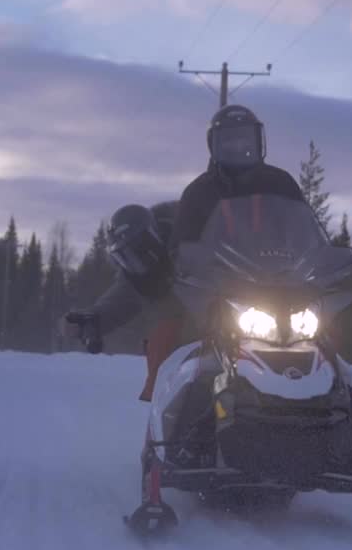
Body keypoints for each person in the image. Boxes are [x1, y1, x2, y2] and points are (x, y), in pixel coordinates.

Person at [66, 104, 308, 401]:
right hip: (217, 300)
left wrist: (330, 269)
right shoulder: (200, 193)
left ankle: (343, 418)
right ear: (214, 145)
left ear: (259, 141)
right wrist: (99, 318)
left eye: (245, 138)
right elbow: (171, 263)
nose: (237, 146)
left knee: (326, 342)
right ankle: (165, 432)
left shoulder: (281, 184)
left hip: (283, 293)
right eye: (228, 139)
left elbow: (307, 234)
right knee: (170, 337)